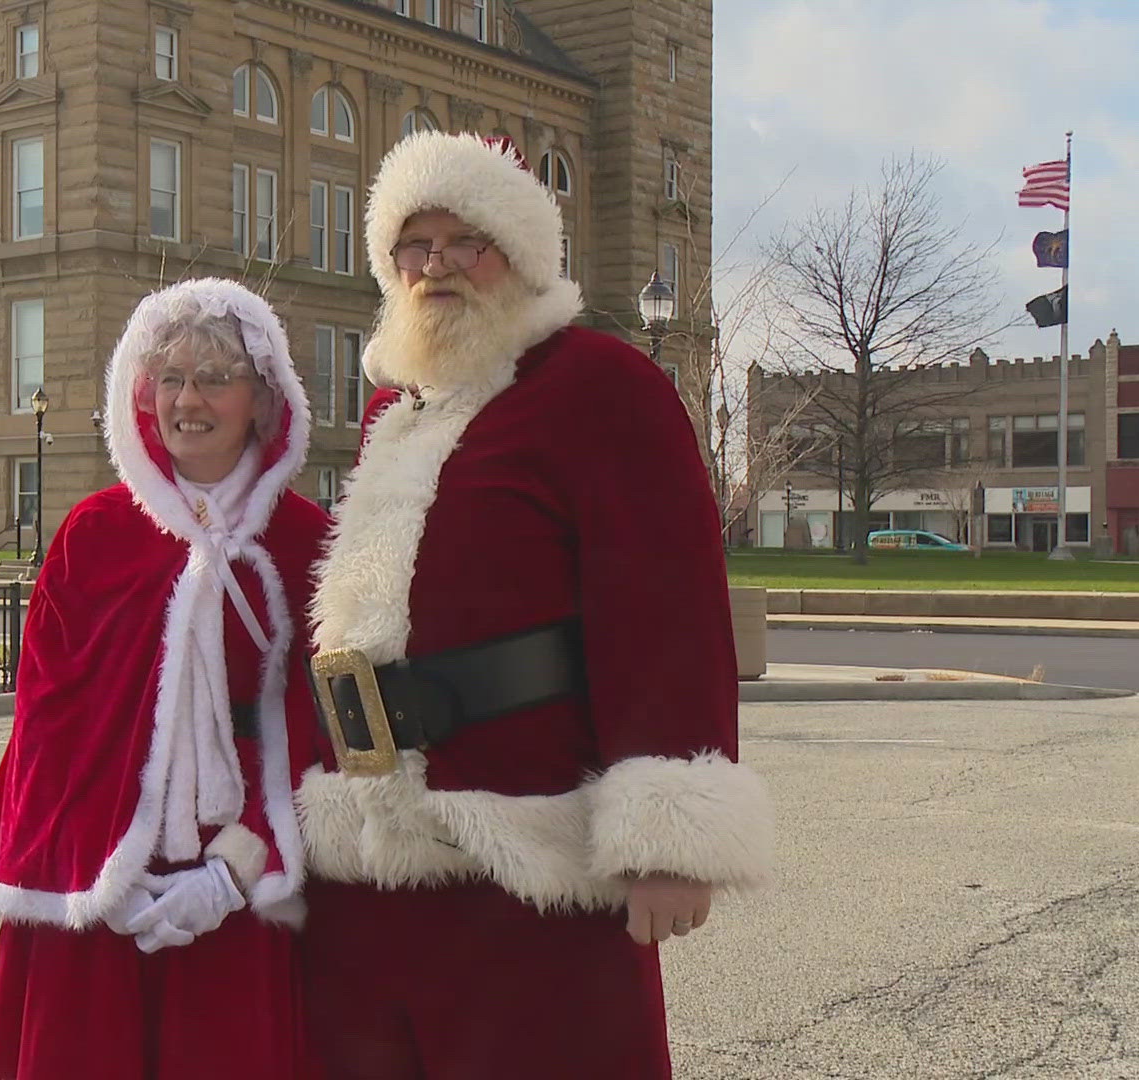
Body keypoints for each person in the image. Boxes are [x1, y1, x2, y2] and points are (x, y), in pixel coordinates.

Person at [296, 131, 775, 1079]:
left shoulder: (601, 385)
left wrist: (669, 836)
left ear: (515, 255)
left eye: (462, 243)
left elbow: (666, 611)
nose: (435, 269)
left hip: (529, 868)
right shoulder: (394, 421)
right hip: (369, 870)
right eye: (412, 248)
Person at [0, 278, 329, 1080]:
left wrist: (234, 870)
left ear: (263, 399)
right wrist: (103, 876)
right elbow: (48, 726)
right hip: (98, 883)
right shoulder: (94, 534)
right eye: (171, 379)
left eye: (216, 379)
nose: (188, 400)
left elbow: (317, 722)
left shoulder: (307, 545)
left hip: (239, 877)